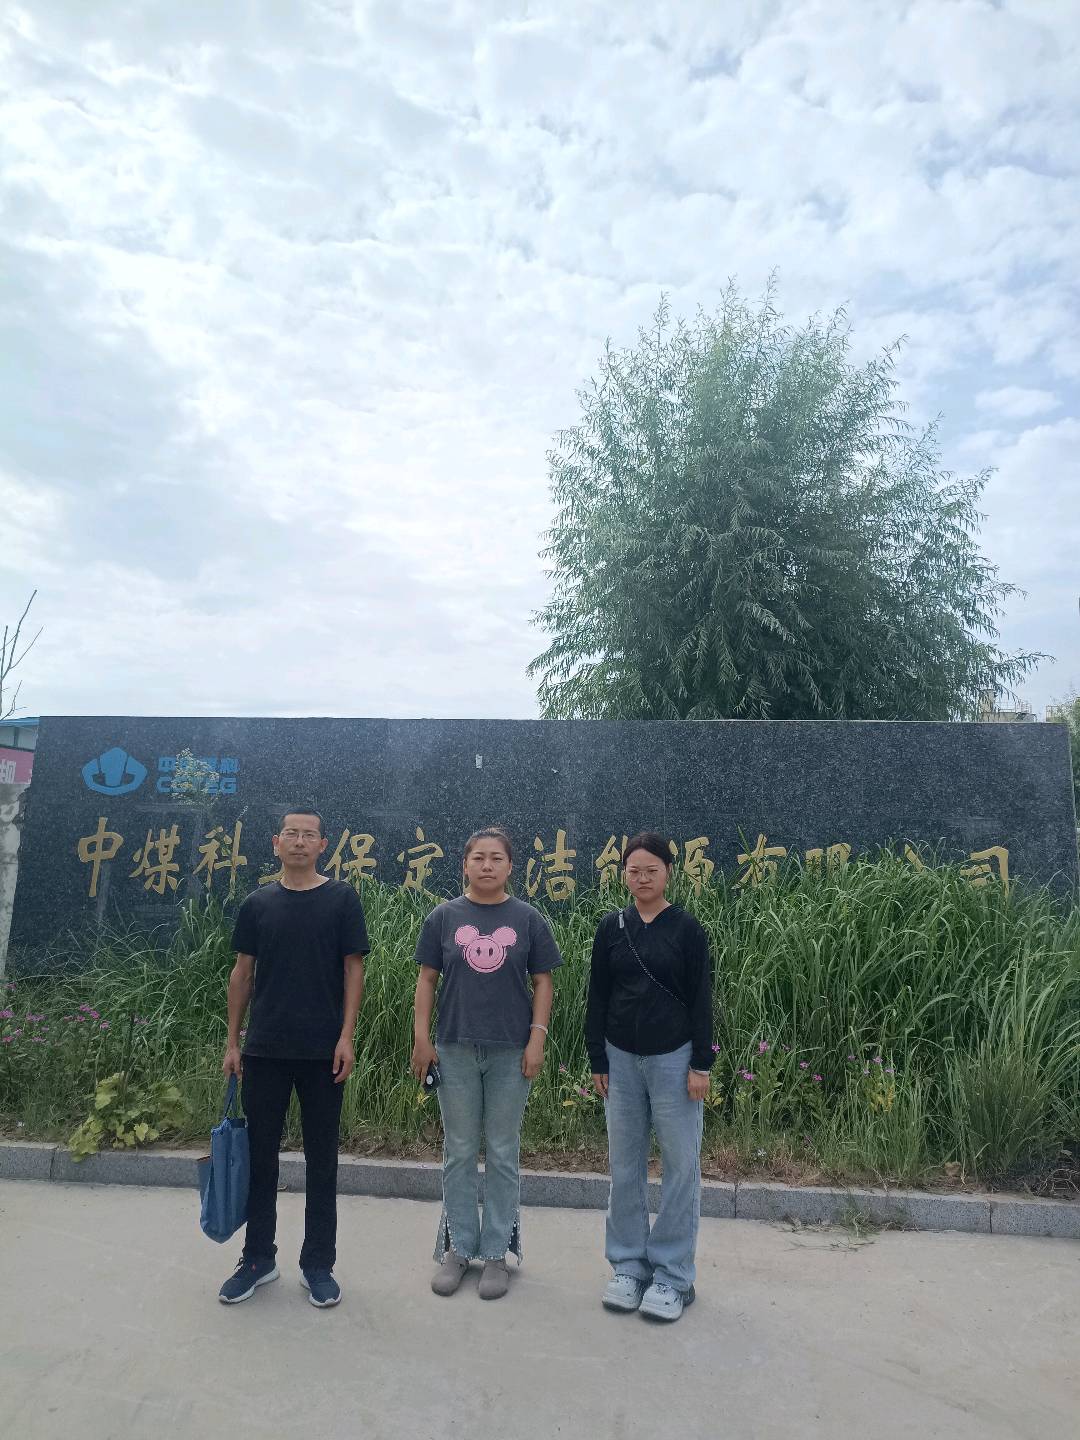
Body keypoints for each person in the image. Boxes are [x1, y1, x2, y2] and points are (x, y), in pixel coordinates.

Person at [217, 807, 369, 1309]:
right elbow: (242, 974)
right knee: (260, 1158)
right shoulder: (258, 903)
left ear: (324, 845)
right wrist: (233, 1042)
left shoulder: (342, 899)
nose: (300, 841)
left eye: (309, 835)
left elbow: (353, 970)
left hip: (324, 1052)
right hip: (265, 1050)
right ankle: (257, 1258)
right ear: (276, 843)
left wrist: (346, 1036)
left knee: (322, 1160)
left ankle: (318, 1263)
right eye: (291, 834)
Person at [411, 826, 563, 1300]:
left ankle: (496, 1252)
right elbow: (427, 980)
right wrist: (421, 1039)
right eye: (478, 857)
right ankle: (459, 1249)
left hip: (510, 1051)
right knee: (458, 1151)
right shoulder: (443, 917)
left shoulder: (528, 919)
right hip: (454, 1048)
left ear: (510, 866)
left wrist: (536, 1039)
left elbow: (543, 983)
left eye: (496, 858)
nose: (487, 865)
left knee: (501, 1151)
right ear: (465, 864)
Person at [586, 831, 715, 1322]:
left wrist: (700, 1064)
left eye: (651, 870)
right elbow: (597, 996)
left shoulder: (688, 930)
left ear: (668, 873)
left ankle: (673, 1275)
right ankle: (628, 1266)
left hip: (674, 1060)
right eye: (634, 870)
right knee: (625, 1165)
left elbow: (702, 999)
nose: (642, 878)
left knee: (680, 1166)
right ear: (623, 874)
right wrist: (597, 1059)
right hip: (620, 1059)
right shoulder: (611, 928)